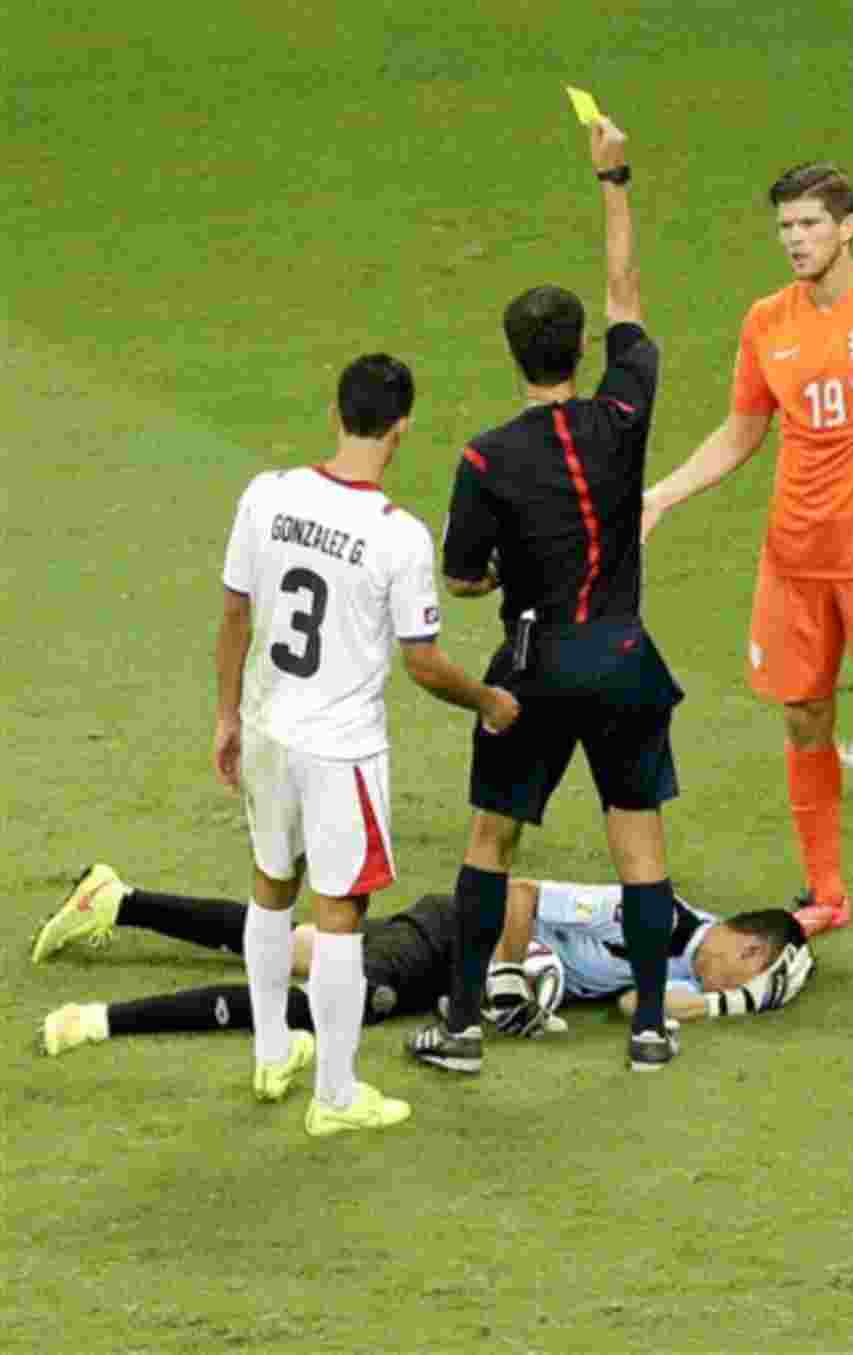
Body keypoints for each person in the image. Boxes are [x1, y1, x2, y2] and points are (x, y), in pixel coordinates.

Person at [642, 162, 853, 950]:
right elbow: (741, 431)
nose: (795, 241)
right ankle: (827, 893)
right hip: (793, 561)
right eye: (785, 228)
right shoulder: (767, 320)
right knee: (803, 717)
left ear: (848, 225)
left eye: (808, 225)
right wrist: (662, 495)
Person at [408, 111, 686, 1077]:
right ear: (579, 351)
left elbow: (461, 573)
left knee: (492, 839)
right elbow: (627, 293)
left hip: (530, 667)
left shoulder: (485, 456)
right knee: (638, 844)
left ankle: (463, 1027)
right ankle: (651, 1024)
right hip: (621, 659)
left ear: (513, 353)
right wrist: (614, 180)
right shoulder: (624, 411)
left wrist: (491, 575)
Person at [215, 354, 519, 1136]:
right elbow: (422, 662)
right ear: (403, 426)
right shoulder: (398, 537)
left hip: (267, 726)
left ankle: (272, 1050)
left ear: (334, 410)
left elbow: (235, 616)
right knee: (342, 913)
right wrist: (487, 700)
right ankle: (338, 1094)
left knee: (269, 887)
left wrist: (226, 718)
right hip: (339, 750)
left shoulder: (268, 495)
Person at [35, 864, 813, 1056]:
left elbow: (629, 1009)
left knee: (298, 946)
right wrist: (511, 976)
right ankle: (97, 1021)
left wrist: (731, 1003)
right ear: (748, 947)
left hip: (459, 970)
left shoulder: (694, 953)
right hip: (459, 936)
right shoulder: (652, 911)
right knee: (323, 1002)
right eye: (745, 978)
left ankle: (118, 899)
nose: (725, 987)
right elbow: (520, 890)